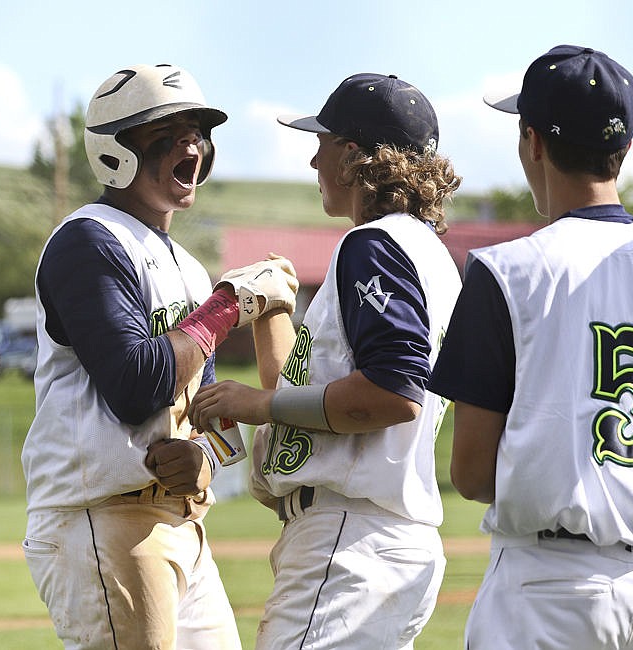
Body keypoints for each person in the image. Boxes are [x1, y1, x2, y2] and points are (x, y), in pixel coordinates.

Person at [20, 63, 298, 650]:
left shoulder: (190, 269)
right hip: (102, 515)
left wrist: (203, 456)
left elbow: (211, 411)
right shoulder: (88, 239)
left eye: (198, 131)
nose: (191, 143)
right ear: (115, 151)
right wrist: (229, 307)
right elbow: (137, 385)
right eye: (166, 132)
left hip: (180, 522)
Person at [427, 44, 633, 649]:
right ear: (622, 149)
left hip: (545, 586)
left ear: (533, 143)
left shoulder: (504, 272)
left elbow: (470, 473)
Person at [188, 73, 463, 648]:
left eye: (325, 142)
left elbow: (391, 393)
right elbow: (311, 397)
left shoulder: (374, 244)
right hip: (373, 538)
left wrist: (256, 404)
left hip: (350, 540)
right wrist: (272, 311)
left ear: (354, 157)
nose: (314, 159)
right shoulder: (426, 251)